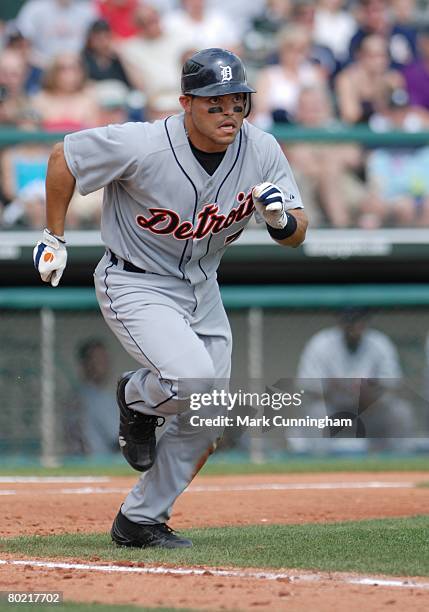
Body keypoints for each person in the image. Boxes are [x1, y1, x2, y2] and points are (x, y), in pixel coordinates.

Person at [33, 48, 307, 548]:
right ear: (186, 102)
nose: (229, 114)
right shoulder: (143, 143)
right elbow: (64, 158)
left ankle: (139, 520)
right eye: (215, 104)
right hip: (136, 281)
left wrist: (280, 221)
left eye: (237, 102)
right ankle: (136, 397)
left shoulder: (262, 150)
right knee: (193, 382)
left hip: (203, 286)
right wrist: (55, 236)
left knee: (208, 415)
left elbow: (297, 233)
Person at [296, 308, 415, 450]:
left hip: (369, 410)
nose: (354, 327)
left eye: (358, 321)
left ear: (366, 323)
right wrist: (335, 387)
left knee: (400, 411)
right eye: (349, 322)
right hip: (334, 409)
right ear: (340, 323)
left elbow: (392, 384)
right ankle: (317, 461)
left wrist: (369, 390)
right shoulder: (321, 342)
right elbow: (308, 385)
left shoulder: (379, 342)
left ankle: (399, 462)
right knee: (317, 413)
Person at [64, 339, 119, 456]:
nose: (104, 365)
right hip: (100, 467)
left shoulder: (74, 396)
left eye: (105, 360)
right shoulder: (99, 399)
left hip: (74, 465)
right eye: (98, 360)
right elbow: (120, 441)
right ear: (85, 364)